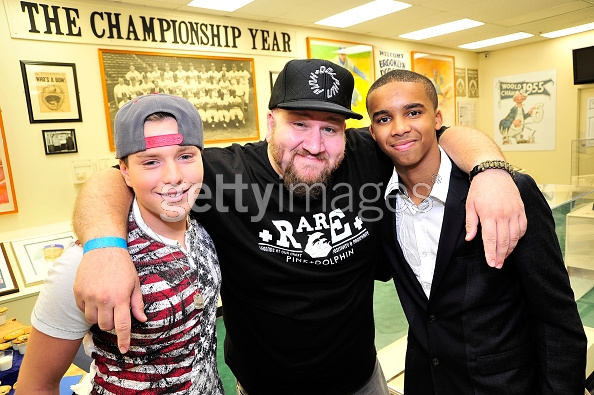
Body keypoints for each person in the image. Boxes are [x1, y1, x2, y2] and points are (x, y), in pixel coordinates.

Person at [72, 59, 526, 395]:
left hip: (361, 379)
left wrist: (491, 170)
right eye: (299, 124)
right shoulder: (222, 175)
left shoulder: (365, 154)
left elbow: (444, 135)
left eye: (330, 128)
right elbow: (112, 178)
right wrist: (106, 247)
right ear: (271, 122)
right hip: (265, 386)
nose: (314, 144)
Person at [367, 69, 587, 394]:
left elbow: (556, 315)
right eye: (384, 118)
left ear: (438, 119)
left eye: (414, 112)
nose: (400, 128)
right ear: (372, 131)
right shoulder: (376, 202)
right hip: (427, 382)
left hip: (504, 384)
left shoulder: (505, 193)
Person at [17, 94, 223, 394]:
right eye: (151, 161)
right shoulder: (86, 263)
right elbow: (35, 386)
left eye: (185, 156)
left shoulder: (204, 230)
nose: (174, 177)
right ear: (124, 171)